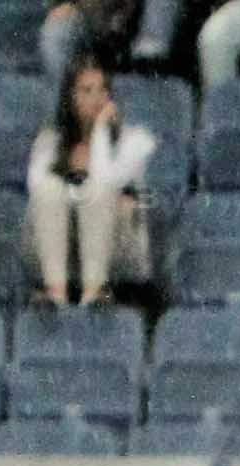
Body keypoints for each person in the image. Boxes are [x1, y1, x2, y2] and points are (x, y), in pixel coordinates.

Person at [26, 57, 158, 306]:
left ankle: (93, 290)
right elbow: (37, 187)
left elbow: (104, 180)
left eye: (102, 90)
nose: (96, 98)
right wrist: (71, 199)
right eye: (87, 90)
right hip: (63, 239)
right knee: (49, 189)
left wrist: (99, 131)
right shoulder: (50, 142)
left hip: (116, 242)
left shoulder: (135, 141)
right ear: (70, 97)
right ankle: (56, 292)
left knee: (98, 191)